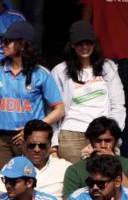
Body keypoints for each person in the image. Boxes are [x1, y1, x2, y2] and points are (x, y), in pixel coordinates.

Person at [0, 22, 64, 175]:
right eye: (2, 41)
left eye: (7, 41)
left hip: (29, 140)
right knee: (0, 186)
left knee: (30, 183)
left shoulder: (41, 73)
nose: (2, 45)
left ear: (22, 45)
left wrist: (33, 128)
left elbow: (60, 110)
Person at [52, 21, 125, 162]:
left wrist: (111, 134)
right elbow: (54, 110)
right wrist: (54, 144)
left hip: (103, 134)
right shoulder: (60, 71)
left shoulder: (108, 67)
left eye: (88, 42)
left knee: (107, 178)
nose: (84, 47)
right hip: (71, 134)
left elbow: (118, 105)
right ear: (72, 45)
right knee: (75, 181)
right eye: (79, 43)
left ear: (94, 43)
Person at [0, 119, 71, 200]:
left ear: (50, 145)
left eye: (42, 145)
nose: (37, 149)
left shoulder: (65, 167)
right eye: (32, 145)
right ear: (23, 144)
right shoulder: (12, 167)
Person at [64, 118, 128, 199]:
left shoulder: (126, 164)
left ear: (115, 141)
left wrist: (115, 165)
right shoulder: (75, 170)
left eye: (108, 141)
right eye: (98, 141)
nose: (103, 145)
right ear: (91, 142)